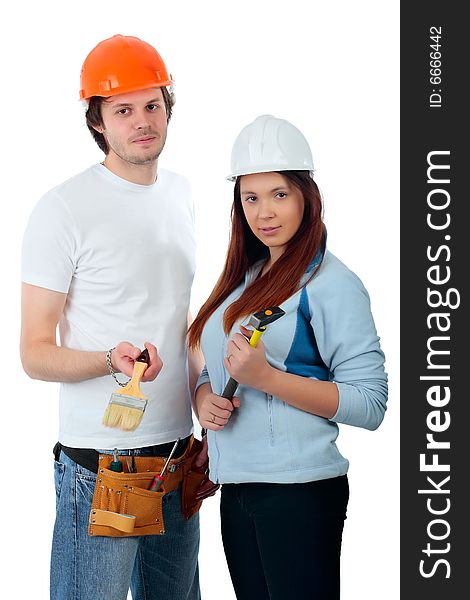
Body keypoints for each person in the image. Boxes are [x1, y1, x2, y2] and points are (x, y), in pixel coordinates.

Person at [20, 34, 214, 600]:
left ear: (168, 107)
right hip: (106, 464)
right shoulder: (63, 209)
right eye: (122, 110)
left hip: (177, 455)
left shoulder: (181, 195)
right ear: (98, 121)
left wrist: (202, 394)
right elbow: (34, 352)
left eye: (152, 105)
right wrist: (109, 360)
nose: (141, 121)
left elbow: (182, 326)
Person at [188, 114, 389, 599]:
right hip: (236, 490)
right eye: (250, 198)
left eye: (279, 194)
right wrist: (203, 396)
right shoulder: (245, 277)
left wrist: (268, 378)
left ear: (306, 197)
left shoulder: (333, 284)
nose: (264, 213)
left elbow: (371, 404)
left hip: (298, 493)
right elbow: (213, 365)